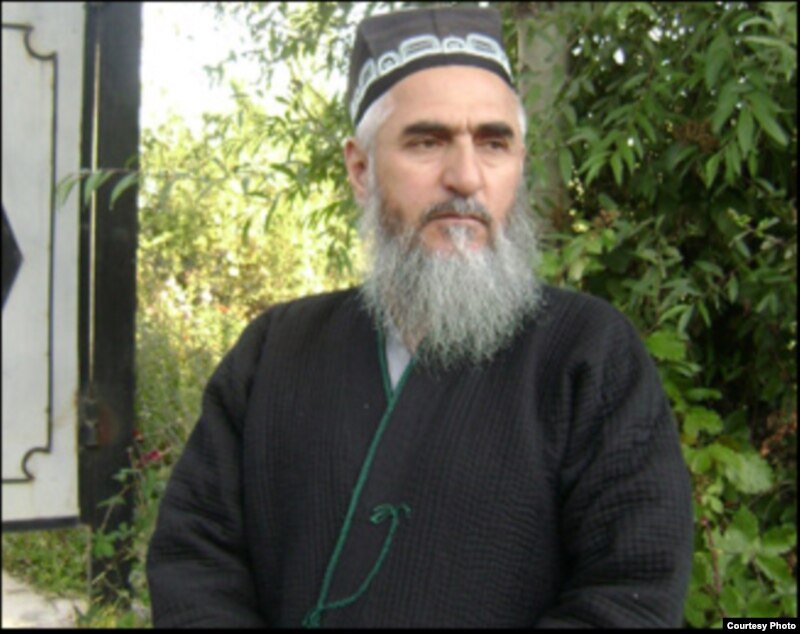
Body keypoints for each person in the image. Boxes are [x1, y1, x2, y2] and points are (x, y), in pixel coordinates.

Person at [146, 6, 693, 628]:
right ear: (361, 169)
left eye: (493, 143)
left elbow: (630, 591)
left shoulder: (588, 353)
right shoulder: (275, 351)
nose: (465, 178)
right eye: (426, 142)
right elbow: (195, 558)